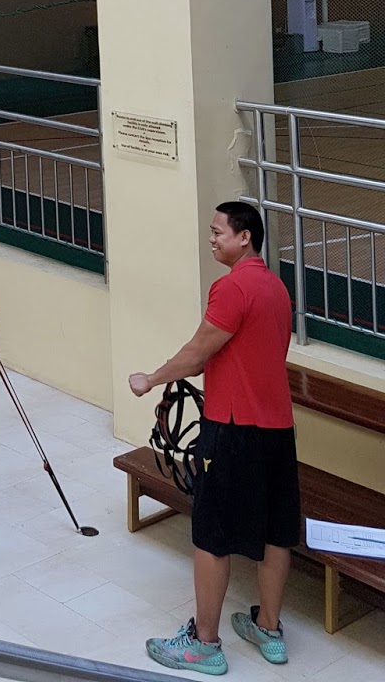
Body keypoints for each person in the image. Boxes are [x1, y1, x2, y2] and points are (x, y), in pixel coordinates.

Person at [129, 201, 299, 675]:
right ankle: (269, 630)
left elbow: (199, 352)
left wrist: (152, 378)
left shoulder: (231, 287)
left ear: (245, 237)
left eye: (218, 231)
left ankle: (204, 645)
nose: (212, 238)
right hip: (277, 430)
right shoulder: (276, 288)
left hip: (231, 430)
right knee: (275, 530)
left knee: (211, 533)